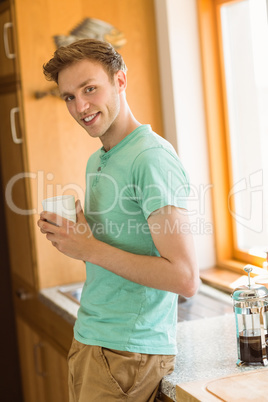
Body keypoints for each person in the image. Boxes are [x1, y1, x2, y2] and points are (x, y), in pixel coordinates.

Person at [38, 39, 199, 402]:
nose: (80, 107)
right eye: (68, 97)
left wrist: (89, 248)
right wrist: (75, 240)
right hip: (92, 341)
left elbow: (185, 278)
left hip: (128, 353)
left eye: (90, 89)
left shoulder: (152, 158)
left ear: (120, 81)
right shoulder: (99, 160)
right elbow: (112, 254)